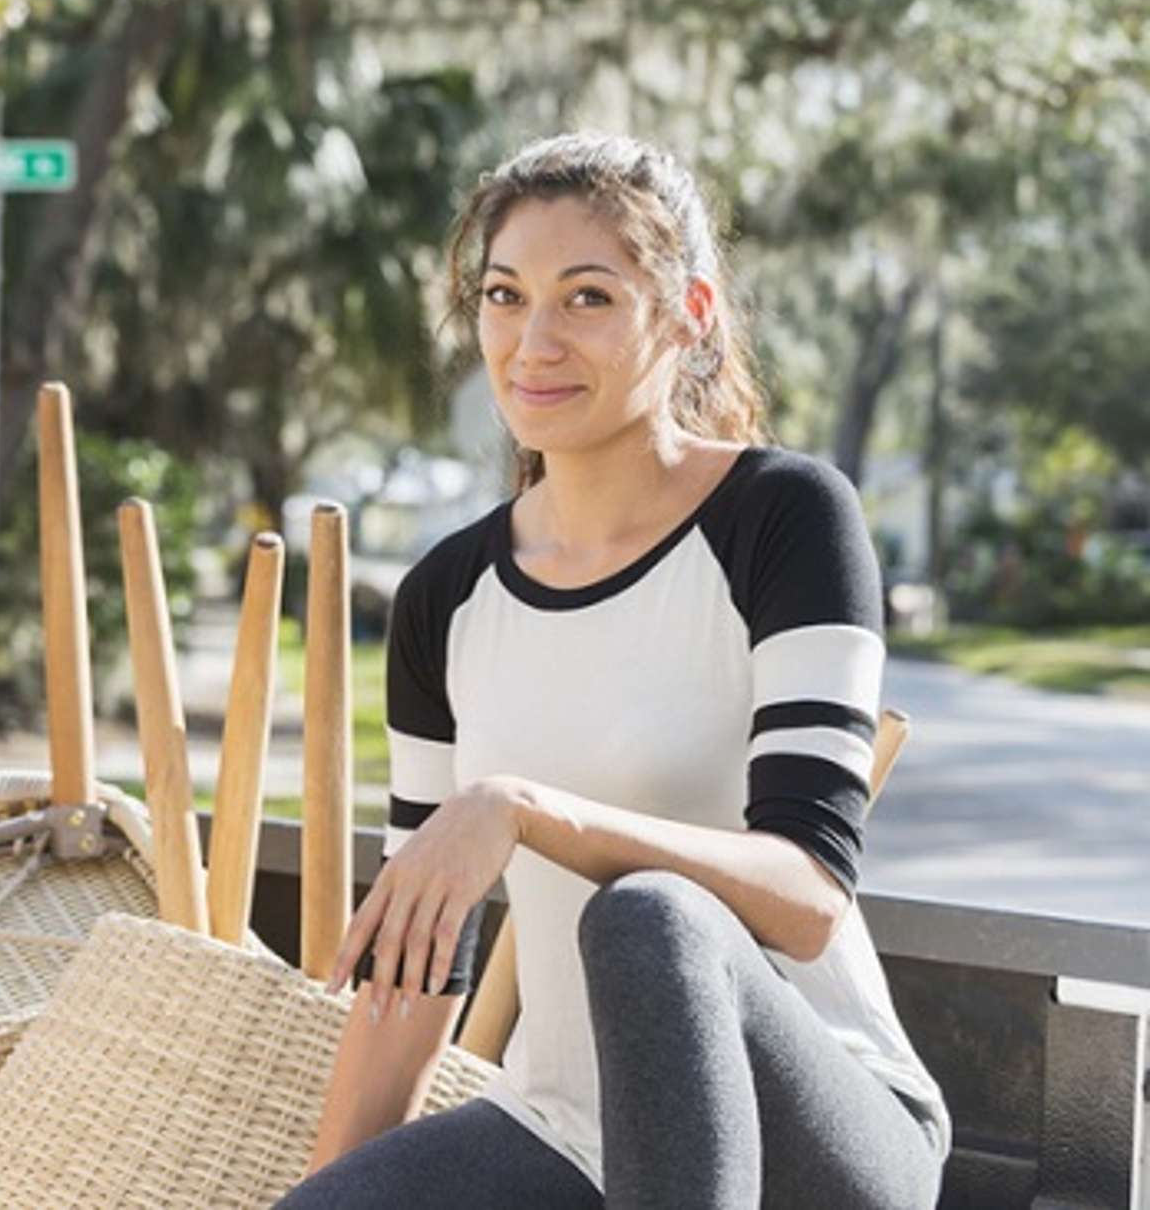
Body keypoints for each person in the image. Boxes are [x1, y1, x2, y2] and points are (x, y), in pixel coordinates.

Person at [278, 133, 950, 1209]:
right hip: (566, 1131)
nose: (532, 341)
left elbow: (806, 895)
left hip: (820, 1132)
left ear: (684, 313)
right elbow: (412, 968)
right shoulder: (444, 596)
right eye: (503, 296)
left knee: (649, 916)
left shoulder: (783, 518)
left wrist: (526, 808)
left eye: (585, 297)